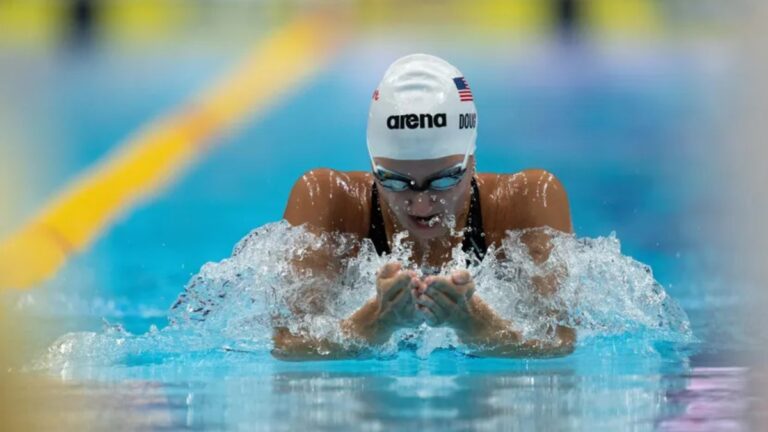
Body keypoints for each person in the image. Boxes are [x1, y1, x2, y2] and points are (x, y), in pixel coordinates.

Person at [273, 54, 575, 360]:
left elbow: (559, 342)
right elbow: (289, 344)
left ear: (472, 160)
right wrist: (376, 321)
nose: (420, 204)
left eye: (443, 181)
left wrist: (478, 326)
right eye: (395, 181)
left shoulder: (525, 202)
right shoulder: (328, 200)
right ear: (372, 165)